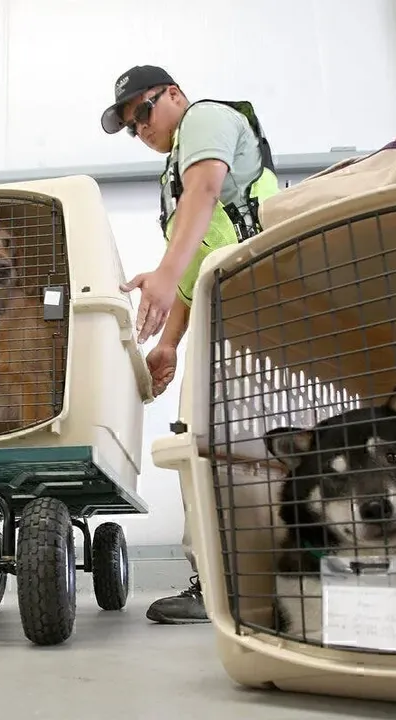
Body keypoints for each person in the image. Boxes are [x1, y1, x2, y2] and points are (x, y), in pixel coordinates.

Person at [100, 65, 280, 625]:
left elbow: (204, 193)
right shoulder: (172, 177)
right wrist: (169, 345)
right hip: (232, 312)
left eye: (143, 113)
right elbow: (196, 264)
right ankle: (226, 578)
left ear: (174, 95)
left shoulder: (206, 120)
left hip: (264, 299)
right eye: (131, 127)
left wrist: (162, 269)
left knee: (225, 442)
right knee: (207, 442)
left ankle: (231, 583)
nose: (141, 130)